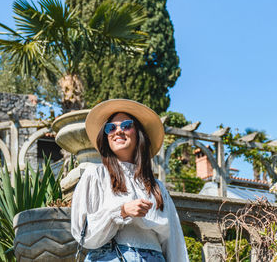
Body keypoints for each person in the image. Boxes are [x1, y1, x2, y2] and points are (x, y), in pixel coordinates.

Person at [71, 99, 189, 262]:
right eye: (110, 128)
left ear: (139, 133)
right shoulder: (96, 175)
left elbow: (174, 242)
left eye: (126, 125)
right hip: (110, 256)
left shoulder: (157, 187)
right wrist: (121, 211)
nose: (117, 131)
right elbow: (83, 232)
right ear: (105, 136)